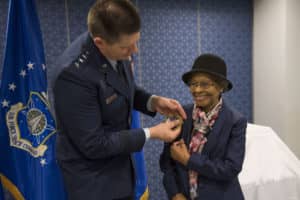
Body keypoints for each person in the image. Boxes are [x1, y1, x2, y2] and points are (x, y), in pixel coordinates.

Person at [52, 0, 187, 200]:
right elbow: (94, 144)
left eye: (136, 42)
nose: (134, 51)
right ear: (100, 42)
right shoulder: (72, 77)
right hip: (94, 183)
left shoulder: (115, 47)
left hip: (122, 172)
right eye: (127, 47)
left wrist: (153, 102)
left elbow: (122, 89)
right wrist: (152, 133)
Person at [159, 53, 247, 200]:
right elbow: (166, 163)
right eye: (193, 84)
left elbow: (230, 169)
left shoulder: (235, 121)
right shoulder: (181, 114)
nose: (197, 90)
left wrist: (188, 159)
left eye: (205, 84)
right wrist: (175, 194)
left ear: (221, 87)